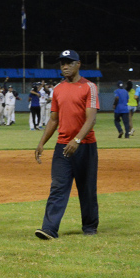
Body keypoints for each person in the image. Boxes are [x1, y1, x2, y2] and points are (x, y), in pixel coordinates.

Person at [34, 49, 100, 239]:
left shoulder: (89, 87)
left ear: (78, 64)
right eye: (62, 63)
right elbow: (54, 119)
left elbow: (91, 119)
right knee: (58, 186)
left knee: (86, 188)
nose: (64, 66)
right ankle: (49, 229)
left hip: (85, 146)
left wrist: (77, 139)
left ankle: (89, 226)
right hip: (62, 146)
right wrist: (42, 142)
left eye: (69, 62)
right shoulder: (58, 89)